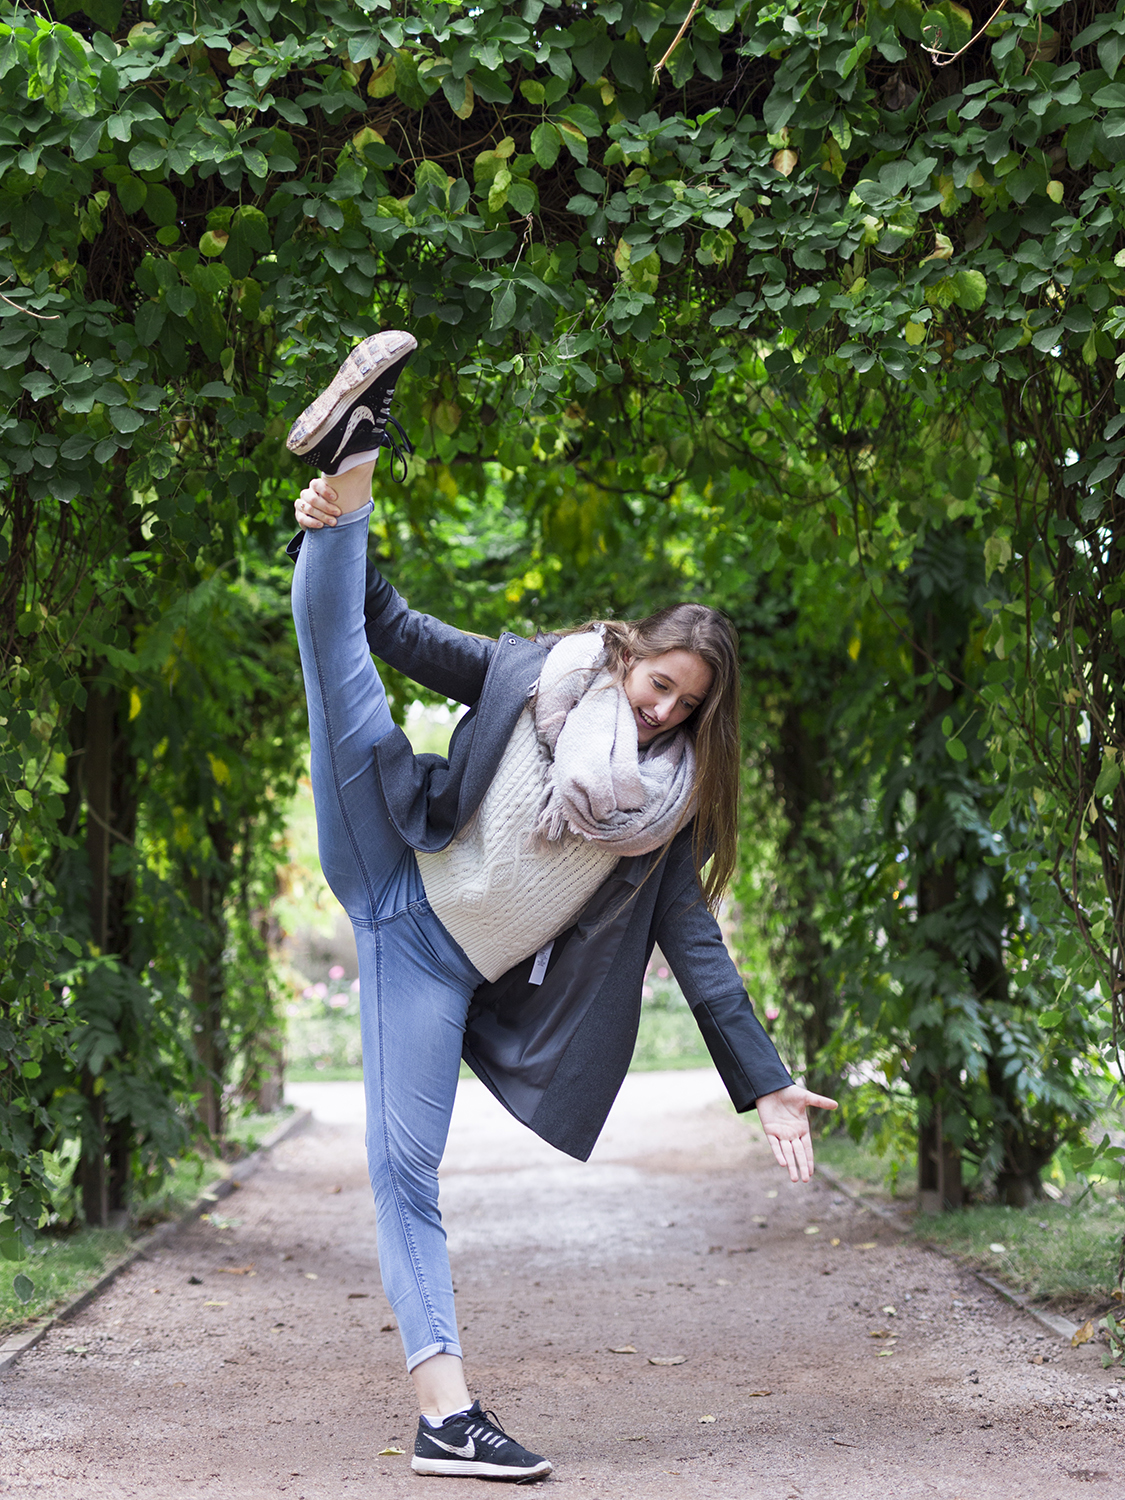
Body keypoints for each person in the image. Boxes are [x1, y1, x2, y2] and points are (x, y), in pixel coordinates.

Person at [286, 330, 837, 1482]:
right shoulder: (536, 672)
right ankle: (357, 460)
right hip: (392, 851)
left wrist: (766, 1081)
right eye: (657, 688)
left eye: (683, 712)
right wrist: (332, 524)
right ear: (629, 657)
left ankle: (445, 1415)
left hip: (429, 967)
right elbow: (393, 631)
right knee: (334, 652)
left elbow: (697, 949)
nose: (659, 718)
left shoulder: (661, 822)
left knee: (405, 1172)